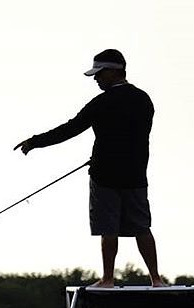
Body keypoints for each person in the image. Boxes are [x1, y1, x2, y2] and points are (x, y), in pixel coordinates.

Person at [14, 49, 164, 287]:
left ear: (114, 72)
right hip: (135, 174)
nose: (96, 79)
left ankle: (107, 279)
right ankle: (156, 279)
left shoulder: (101, 103)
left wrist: (35, 141)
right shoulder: (144, 99)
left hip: (104, 175)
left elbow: (70, 129)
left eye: (100, 74)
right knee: (142, 227)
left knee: (108, 229)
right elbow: (134, 136)